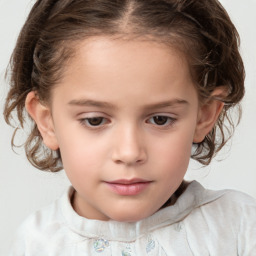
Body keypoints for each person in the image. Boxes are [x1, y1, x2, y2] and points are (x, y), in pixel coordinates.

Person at [4, 0, 256, 255]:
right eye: (95, 120)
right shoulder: (35, 244)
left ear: (204, 116)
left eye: (160, 119)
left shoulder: (239, 228)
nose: (129, 152)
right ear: (47, 121)